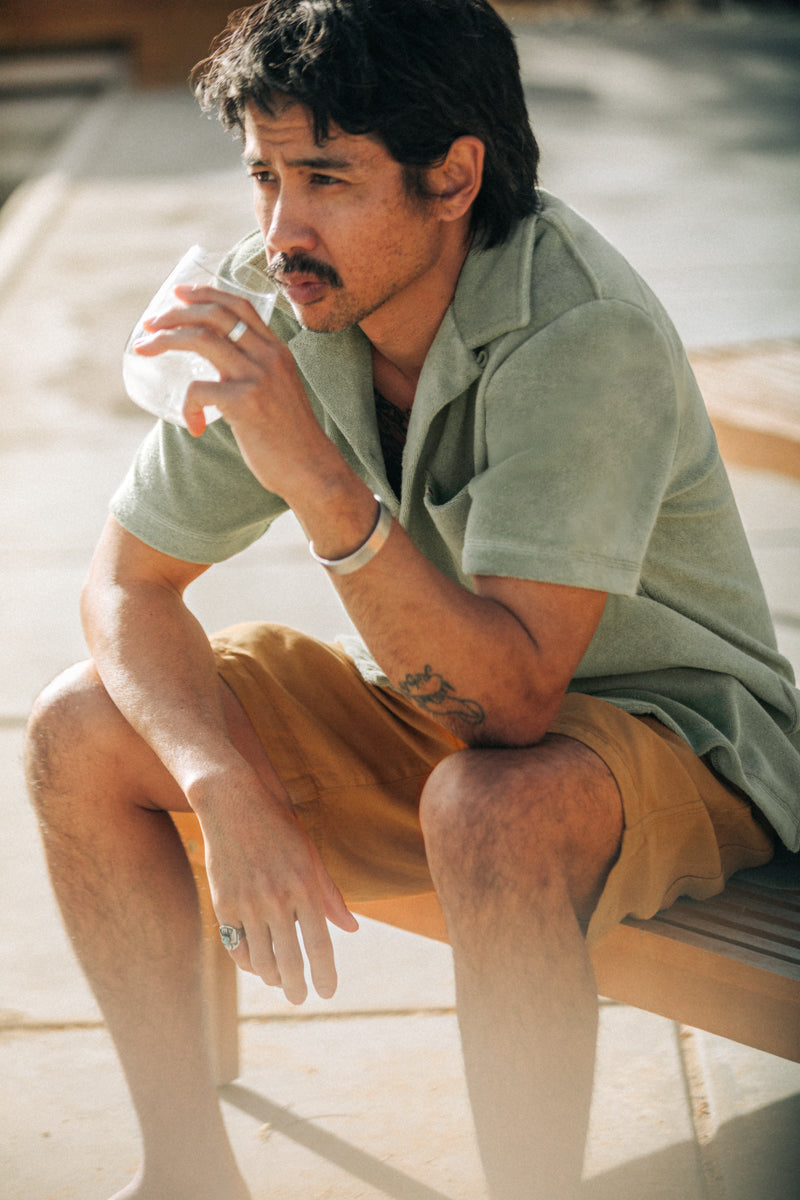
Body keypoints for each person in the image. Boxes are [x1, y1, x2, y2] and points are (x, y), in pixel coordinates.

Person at [24, 2, 800, 1198]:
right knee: (82, 727)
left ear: (452, 178)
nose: (280, 230)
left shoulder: (578, 333)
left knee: (488, 807)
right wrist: (221, 783)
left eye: (325, 179)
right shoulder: (286, 295)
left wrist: (316, 478)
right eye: (265, 177)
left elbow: (514, 706)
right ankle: (186, 1176)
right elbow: (125, 582)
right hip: (444, 711)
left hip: (678, 740)